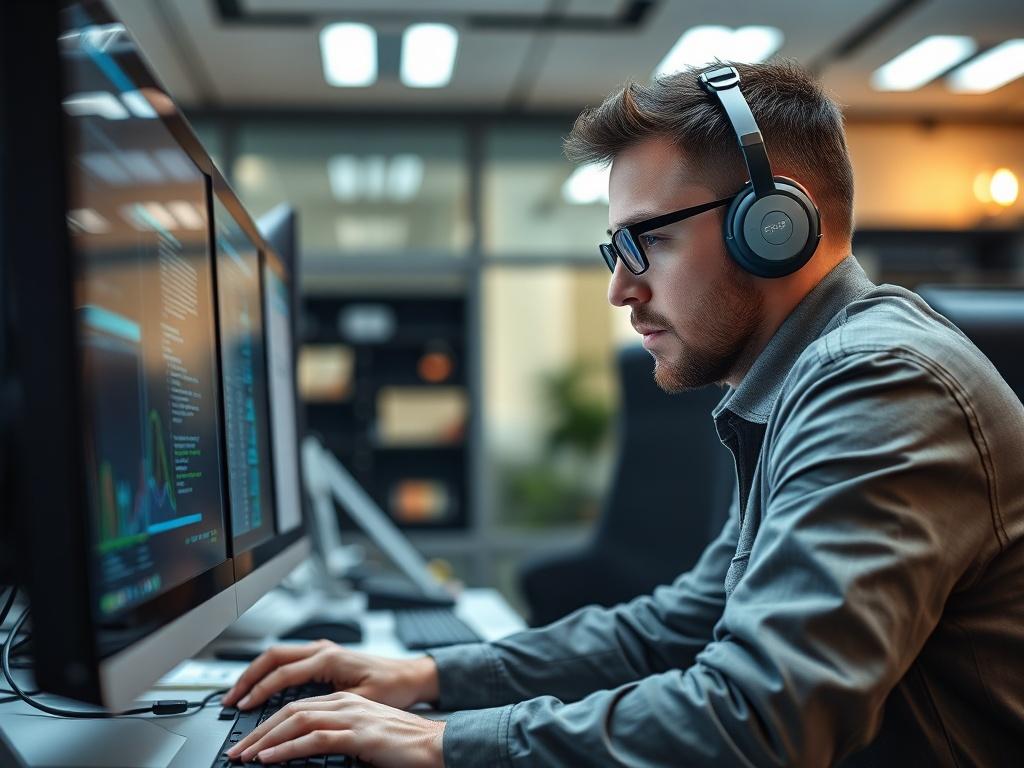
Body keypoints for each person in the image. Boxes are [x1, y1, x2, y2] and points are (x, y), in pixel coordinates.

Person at [223, 60, 1024, 766]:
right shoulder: (802, 386)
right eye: (616, 251)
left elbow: (759, 721)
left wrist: (443, 740)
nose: (621, 289)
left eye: (647, 241)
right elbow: (678, 625)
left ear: (774, 227)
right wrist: (431, 677)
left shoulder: (879, 382)